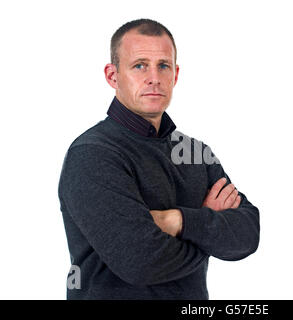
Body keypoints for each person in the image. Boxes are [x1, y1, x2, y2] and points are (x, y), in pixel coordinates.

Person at [58, 18, 260, 300]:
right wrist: (207, 230)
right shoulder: (93, 153)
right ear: (112, 76)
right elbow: (140, 262)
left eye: (163, 65)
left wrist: (178, 221)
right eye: (140, 65)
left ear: (175, 75)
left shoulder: (195, 152)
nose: (154, 77)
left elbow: (248, 234)